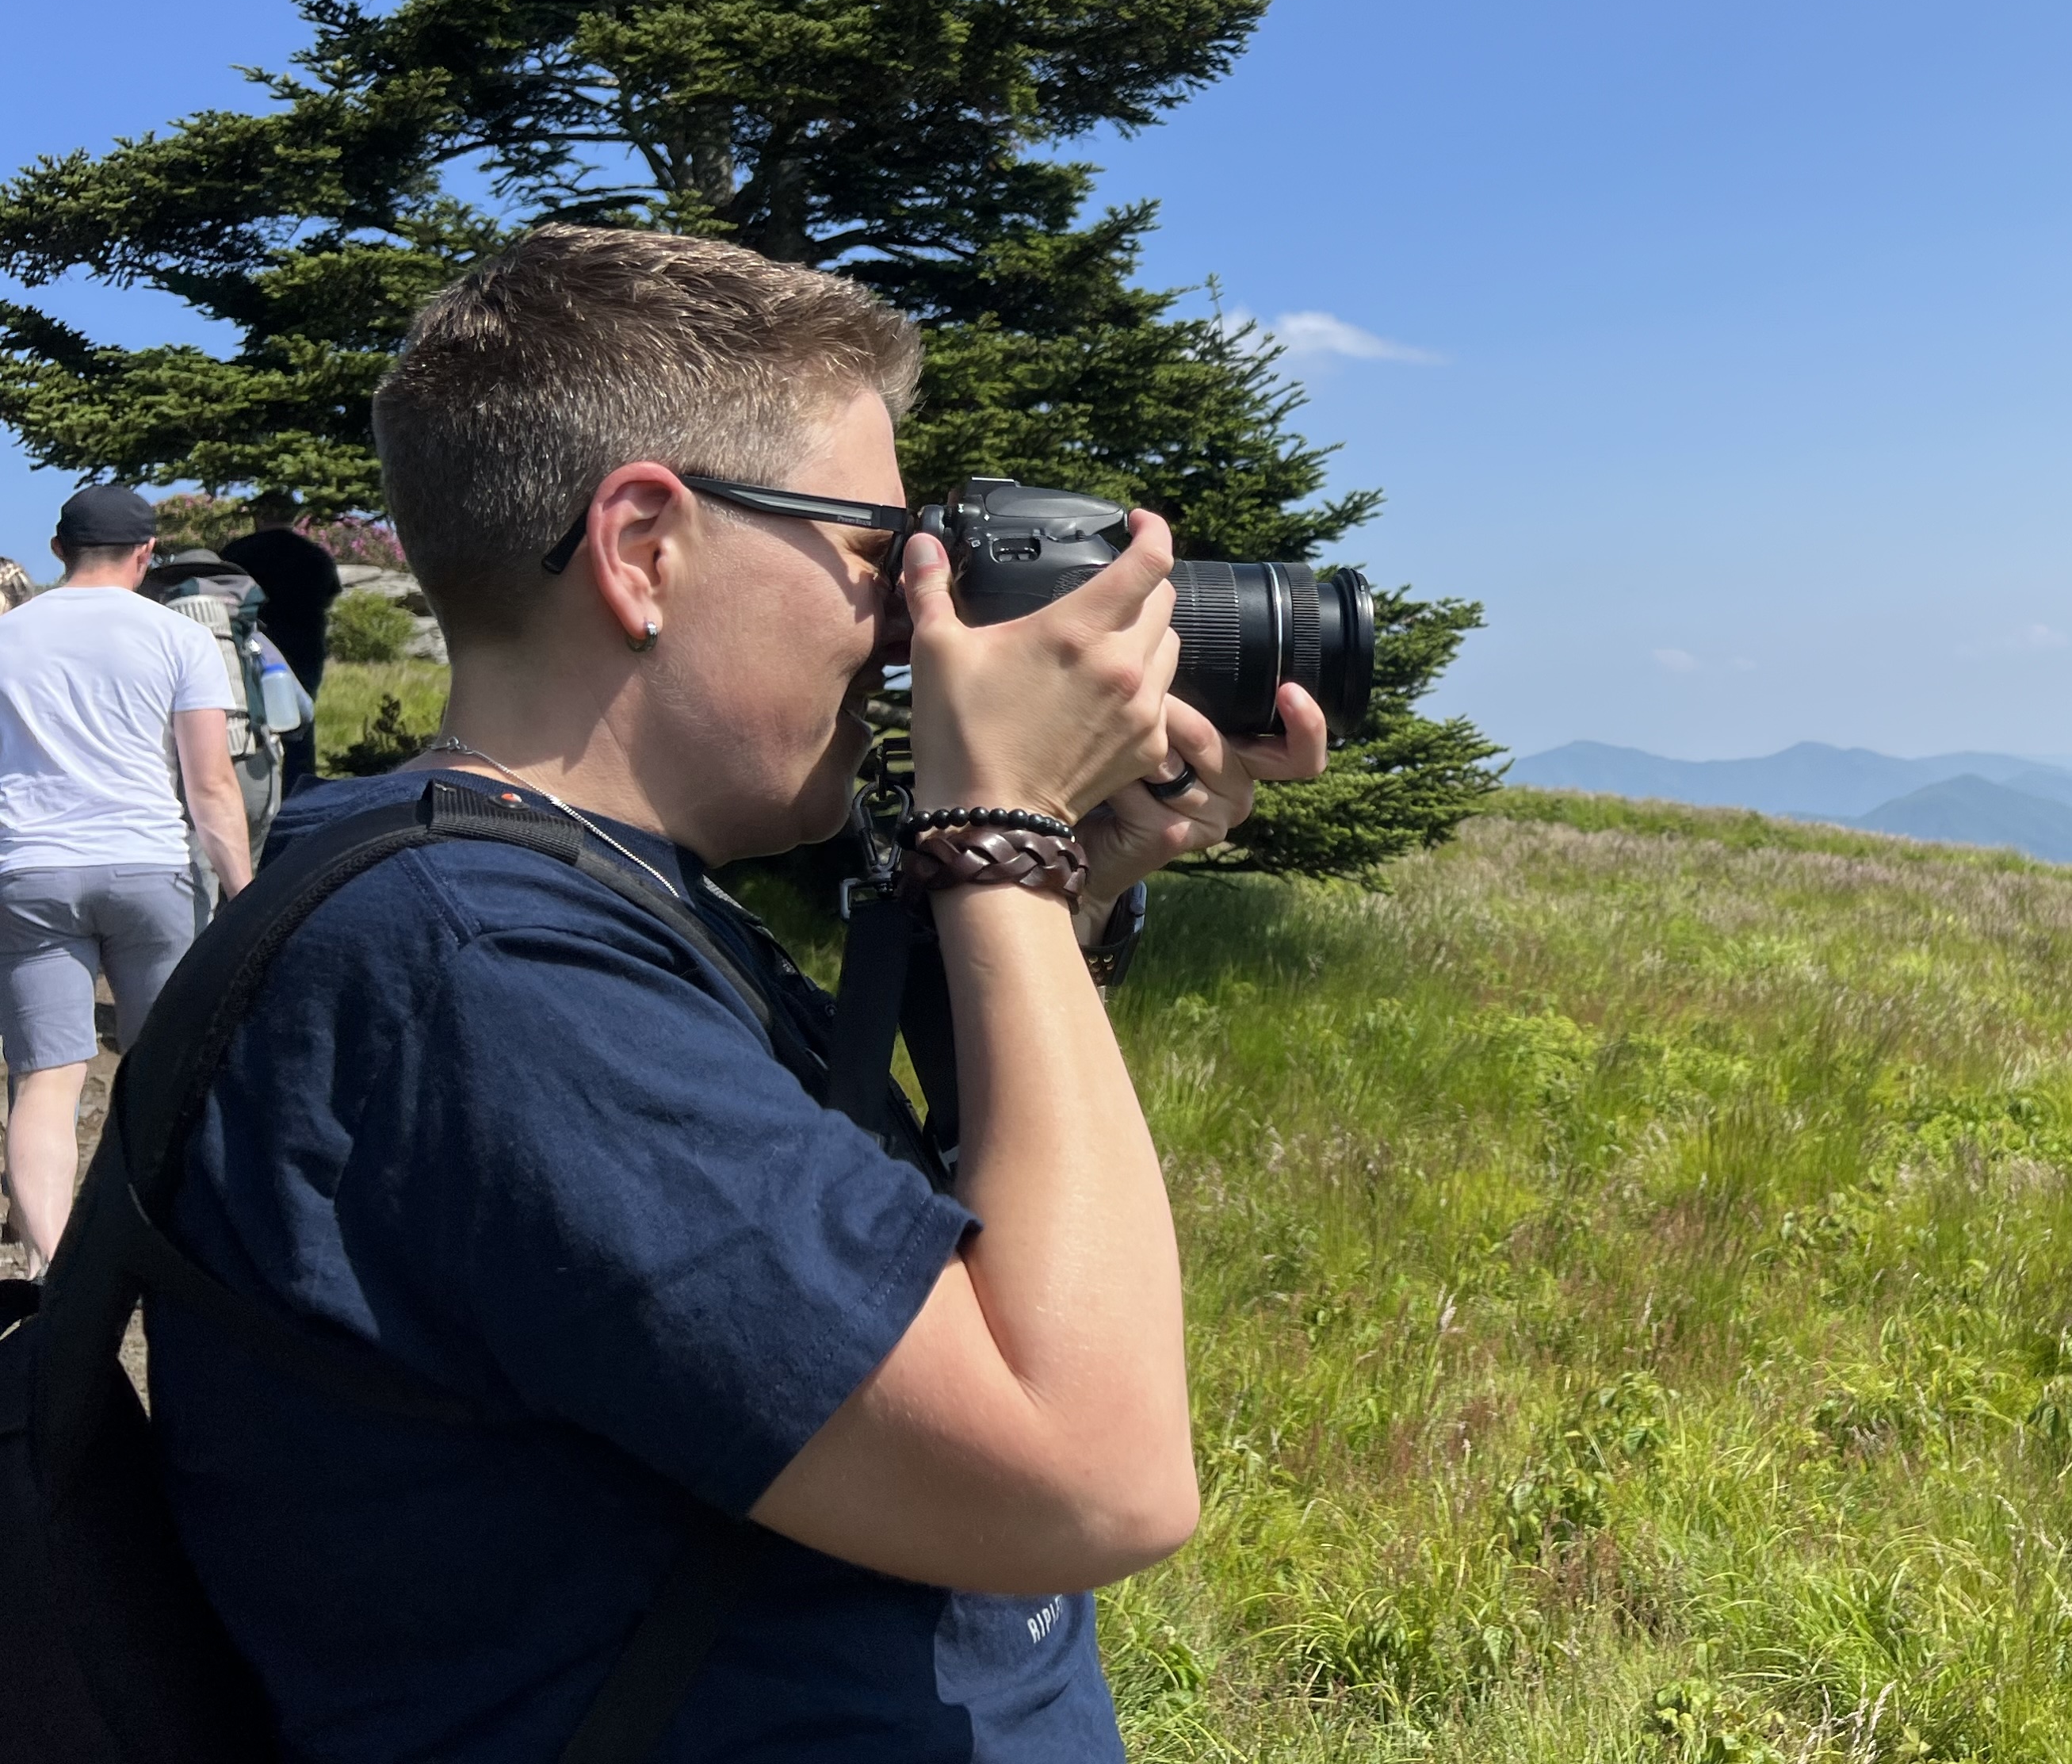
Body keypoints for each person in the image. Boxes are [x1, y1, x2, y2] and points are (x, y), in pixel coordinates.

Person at [149, 224, 1322, 1758]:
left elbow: (939, 1270)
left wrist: (1062, 889)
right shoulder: (480, 969)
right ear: (644, 547)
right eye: (871, 547)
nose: (914, 616)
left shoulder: (535, 890)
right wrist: (1001, 846)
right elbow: (1091, 1468)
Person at [0, 484, 256, 1257]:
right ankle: (168, 1242)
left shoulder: (9, 633)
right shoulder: (177, 638)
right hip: (149, 867)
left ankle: (50, 1263)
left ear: (56, 551)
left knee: (47, 1077)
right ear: (147, 554)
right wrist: (245, 896)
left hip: (29, 871)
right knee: (166, 1069)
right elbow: (211, 786)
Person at [222, 488, 342, 791]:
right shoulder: (316, 556)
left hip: (251, 649)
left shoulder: (237, 553)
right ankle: (299, 794)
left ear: (259, 516)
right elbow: (330, 594)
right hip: (305, 648)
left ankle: (254, 792)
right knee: (301, 724)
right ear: (294, 516)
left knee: (249, 723)